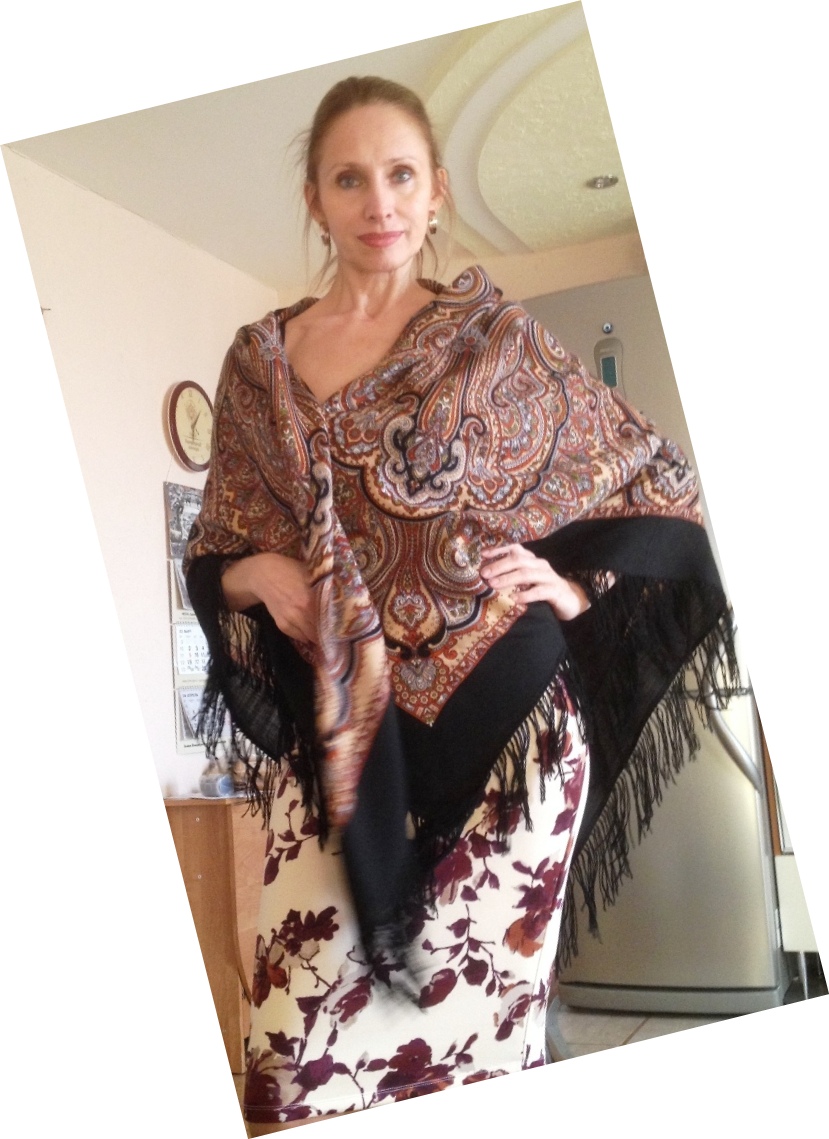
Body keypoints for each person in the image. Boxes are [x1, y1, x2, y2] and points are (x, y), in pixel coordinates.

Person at [183, 76, 738, 1133]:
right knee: (296, 1053)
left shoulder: (496, 339)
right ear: (314, 197)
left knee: (487, 1056)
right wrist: (256, 575)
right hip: (335, 741)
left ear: (436, 190)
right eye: (350, 178)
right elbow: (219, 541)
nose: (378, 203)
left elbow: (653, 480)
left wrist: (575, 586)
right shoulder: (259, 365)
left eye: (400, 175)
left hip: (511, 741)